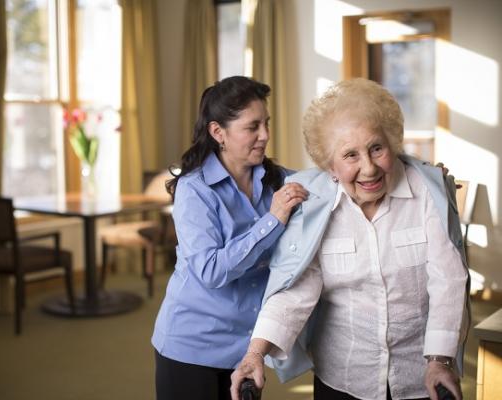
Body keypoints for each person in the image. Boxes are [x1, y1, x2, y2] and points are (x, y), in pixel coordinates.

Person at [230, 78, 470, 400]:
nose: (369, 168)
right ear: (329, 167)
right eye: (350, 156)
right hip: (343, 376)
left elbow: (448, 281)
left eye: (376, 148)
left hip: (420, 376)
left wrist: (440, 359)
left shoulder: (427, 192)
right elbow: (297, 288)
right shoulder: (315, 205)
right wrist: (255, 353)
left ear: (392, 142)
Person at [151, 76, 309, 400]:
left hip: (246, 350)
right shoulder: (194, 190)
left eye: (266, 124)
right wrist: (272, 220)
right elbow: (211, 271)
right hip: (191, 347)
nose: (265, 135)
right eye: (252, 127)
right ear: (218, 132)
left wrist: (422, 175)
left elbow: (331, 183)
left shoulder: (278, 180)